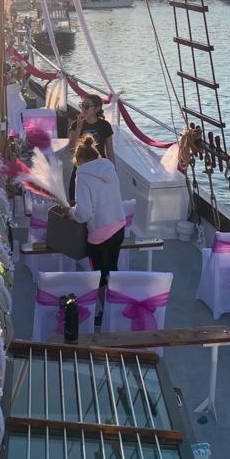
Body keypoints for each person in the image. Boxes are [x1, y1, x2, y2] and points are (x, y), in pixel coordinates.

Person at [65, 135, 126, 325]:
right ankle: (117, 308)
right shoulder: (109, 167)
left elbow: (84, 213)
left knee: (100, 276)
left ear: (79, 159)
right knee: (112, 269)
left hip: (99, 233)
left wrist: (70, 212)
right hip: (118, 226)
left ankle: (105, 313)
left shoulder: (82, 175)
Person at [67, 93, 114, 202]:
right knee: (75, 199)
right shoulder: (76, 124)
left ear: (96, 108)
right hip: (80, 166)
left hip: (100, 168)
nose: (83, 108)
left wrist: (112, 171)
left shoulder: (105, 125)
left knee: (97, 200)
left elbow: (110, 151)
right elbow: (71, 149)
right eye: (82, 105)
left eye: (87, 106)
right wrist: (79, 127)